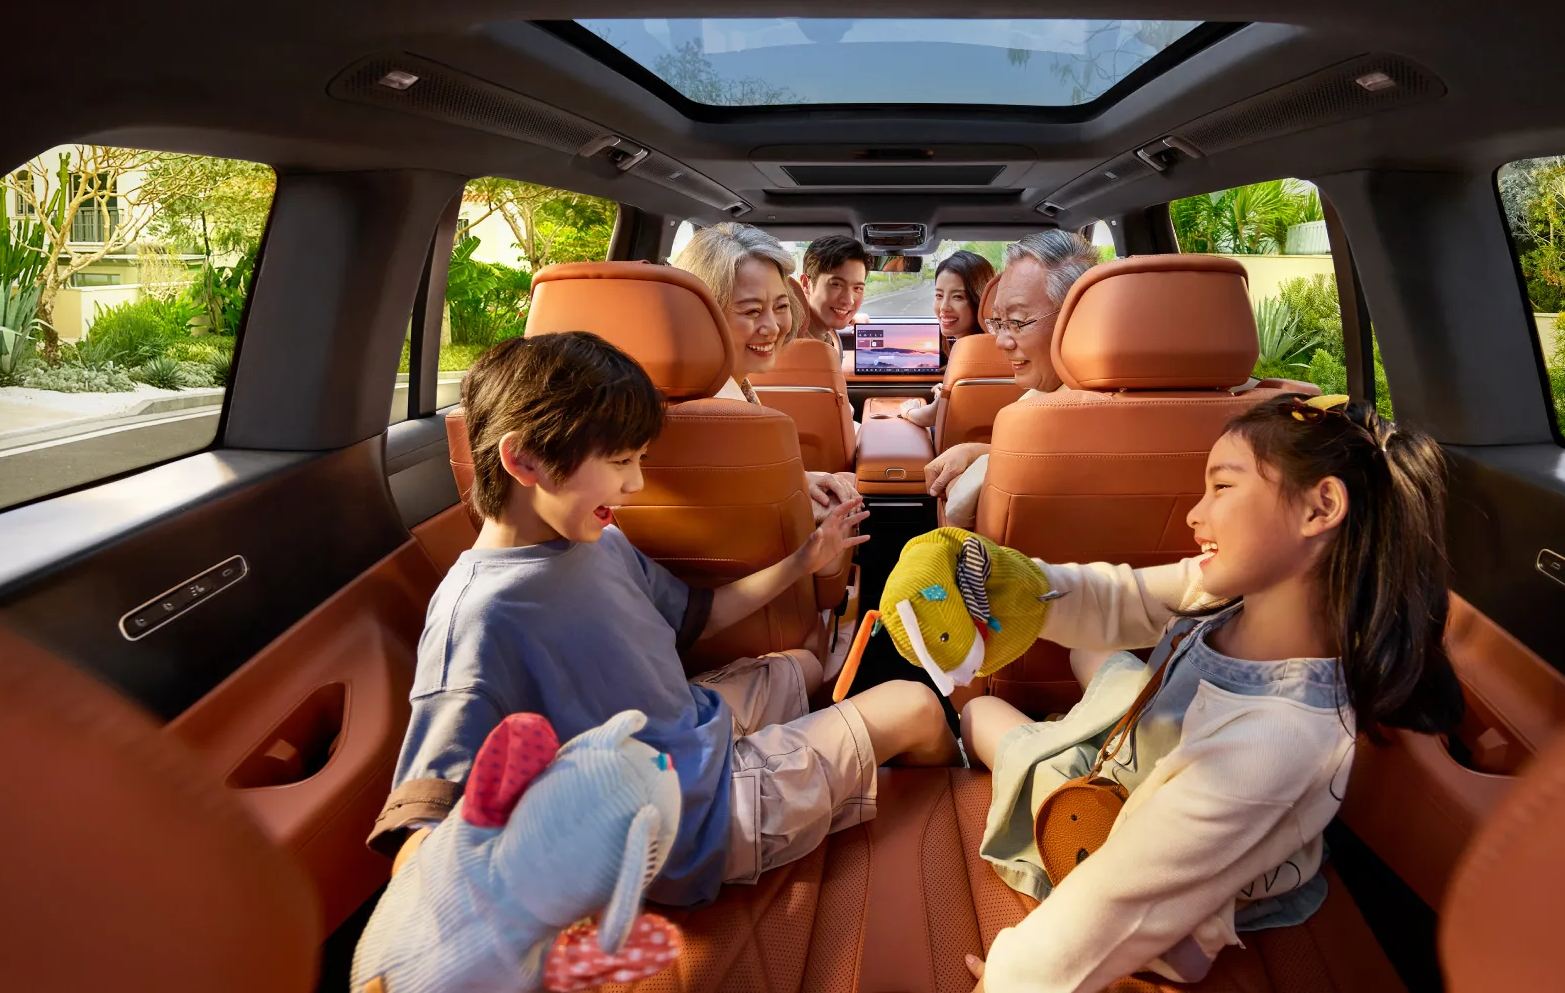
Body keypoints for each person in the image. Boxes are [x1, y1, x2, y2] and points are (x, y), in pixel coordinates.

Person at [369, 332, 958, 910]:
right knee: (918, 706)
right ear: (523, 459)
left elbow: (701, 616)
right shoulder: (477, 617)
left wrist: (803, 561)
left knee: (804, 664)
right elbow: (426, 811)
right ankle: (951, 823)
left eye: (639, 460)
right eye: (621, 462)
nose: (636, 484)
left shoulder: (597, 542)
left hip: (686, 727)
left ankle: (815, 762)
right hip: (692, 820)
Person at [955, 395, 1464, 993]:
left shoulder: (1278, 739)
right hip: (1175, 758)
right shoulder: (1229, 592)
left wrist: (1011, 978)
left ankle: (1188, 931)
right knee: (1089, 650)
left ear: (1320, 507)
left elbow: (1121, 892)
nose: (1195, 515)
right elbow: (1119, 597)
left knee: (979, 712)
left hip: (1152, 827)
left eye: (1221, 487)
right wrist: (1010, 583)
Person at [677, 222, 861, 521]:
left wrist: (799, 479)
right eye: (751, 311)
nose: (773, 328)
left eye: (781, 306)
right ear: (702, 313)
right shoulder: (721, 415)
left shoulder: (717, 388)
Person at [924, 229, 1100, 526]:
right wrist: (975, 451)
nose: (1001, 342)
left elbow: (960, 505)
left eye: (1017, 322)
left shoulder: (1048, 417)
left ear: (1077, 317)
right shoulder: (1075, 394)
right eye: (998, 322)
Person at [900, 251, 995, 430]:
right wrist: (949, 391)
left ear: (980, 300)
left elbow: (929, 417)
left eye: (957, 297)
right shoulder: (997, 346)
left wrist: (908, 411)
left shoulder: (968, 353)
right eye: (939, 295)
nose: (944, 307)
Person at [796, 233, 868, 354]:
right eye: (836, 285)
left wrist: (849, 317)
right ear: (806, 284)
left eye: (857, 288)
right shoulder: (798, 345)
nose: (849, 300)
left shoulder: (818, 331)